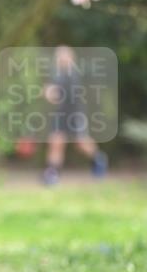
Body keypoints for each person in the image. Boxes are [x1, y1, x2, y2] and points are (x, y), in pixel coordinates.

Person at [42, 45, 108, 185]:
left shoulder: (72, 75)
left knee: (81, 144)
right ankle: (52, 174)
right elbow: (52, 90)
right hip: (60, 114)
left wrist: (50, 92)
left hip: (75, 115)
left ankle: (98, 159)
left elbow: (56, 92)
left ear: (71, 58)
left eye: (63, 56)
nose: (60, 59)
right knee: (56, 142)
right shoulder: (57, 74)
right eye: (59, 56)